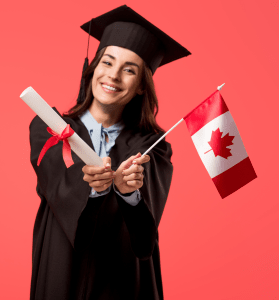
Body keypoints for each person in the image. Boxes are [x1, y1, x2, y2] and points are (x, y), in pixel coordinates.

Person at [28, 5, 191, 300]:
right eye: (107, 62)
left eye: (129, 70)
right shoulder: (51, 128)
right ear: (94, 67)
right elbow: (56, 184)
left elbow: (145, 239)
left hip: (125, 281)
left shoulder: (153, 149)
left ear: (142, 86)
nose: (113, 76)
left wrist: (130, 193)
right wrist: (90, 188)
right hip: (62, 272)